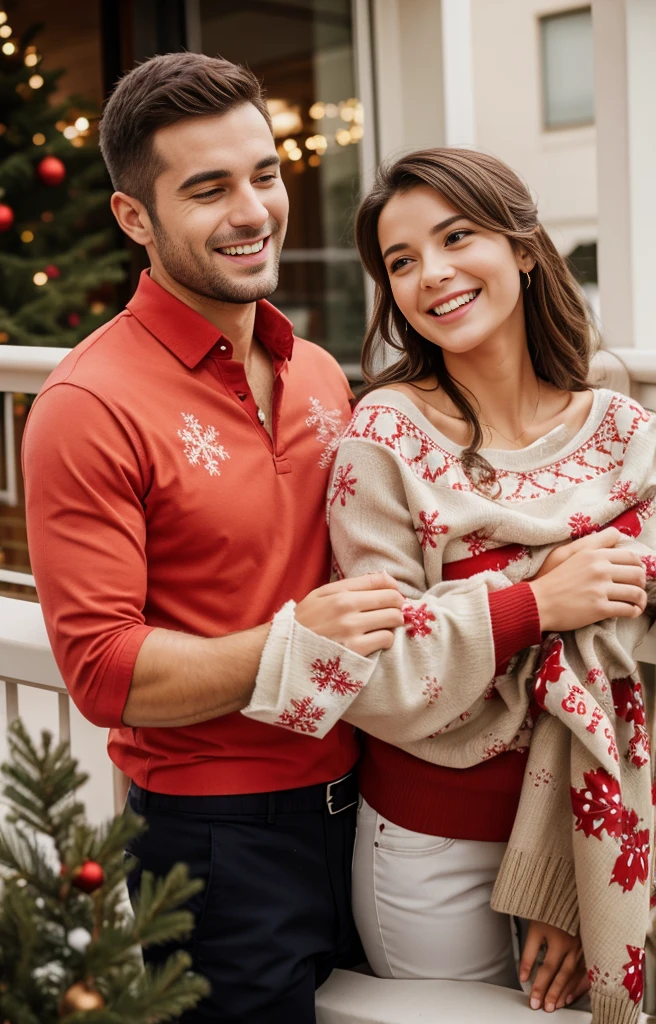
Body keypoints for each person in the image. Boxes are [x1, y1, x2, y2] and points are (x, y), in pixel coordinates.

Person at [22, 52, 411, 1024]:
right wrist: (295, 643)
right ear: (134, 219)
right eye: (208, 189)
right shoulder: (85, 403)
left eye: (265, 175)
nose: (252, 210)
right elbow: (104, 670)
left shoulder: (319, 369)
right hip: (215, 845)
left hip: (375, 808)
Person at [244, 149, 654, 1024]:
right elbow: (379, 680)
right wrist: (538, 602)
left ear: (526, 248)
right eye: (400, 262)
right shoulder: (382, 439)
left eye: (456, 237)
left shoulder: (623, 429)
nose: (431, 274)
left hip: (605, 831)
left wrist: (566, 870)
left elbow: (640, 652)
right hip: (438, 855)